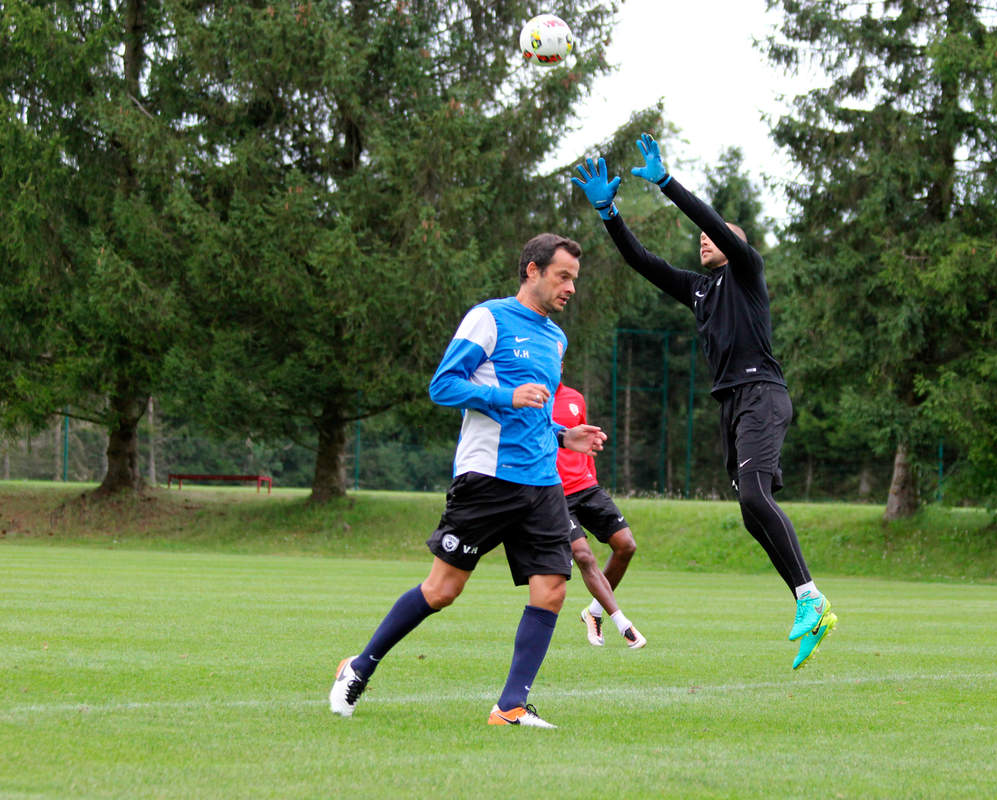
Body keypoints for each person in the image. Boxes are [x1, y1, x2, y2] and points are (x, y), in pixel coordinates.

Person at [572, 134, 836, 670]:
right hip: (733, 404)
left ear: (733, 245)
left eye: (712, 236)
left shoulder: (746, 271)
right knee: (749, 511)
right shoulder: (698, 289)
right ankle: (807, 602)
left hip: (762, 393)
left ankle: (811, 597)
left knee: (757, 496)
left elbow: (715, 222)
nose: (703, 240)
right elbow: (642, 261)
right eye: (699, 237)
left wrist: (667, 182)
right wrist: (609, 213)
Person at [329, 233, 607, 728]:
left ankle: (510, 707)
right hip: (487, 478)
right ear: (532, 271)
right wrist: (505, 396)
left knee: (552, 590)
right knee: (442, 589)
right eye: (563, 277)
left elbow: (535, 409)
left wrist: (566, 437)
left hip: (542, 482)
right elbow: (443, 386)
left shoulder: (556, 338)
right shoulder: (489, 318)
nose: (570, 288)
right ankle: (359, 666)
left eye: (574, 280)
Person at [553, 381, 646, 649]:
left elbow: (585, 442)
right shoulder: (532, 398)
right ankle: (623, 624)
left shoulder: (575, 399)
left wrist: (591, 475)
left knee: (626, 545)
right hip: (554, 493)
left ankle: (593, 612)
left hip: (586, 487)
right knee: (583, 555)